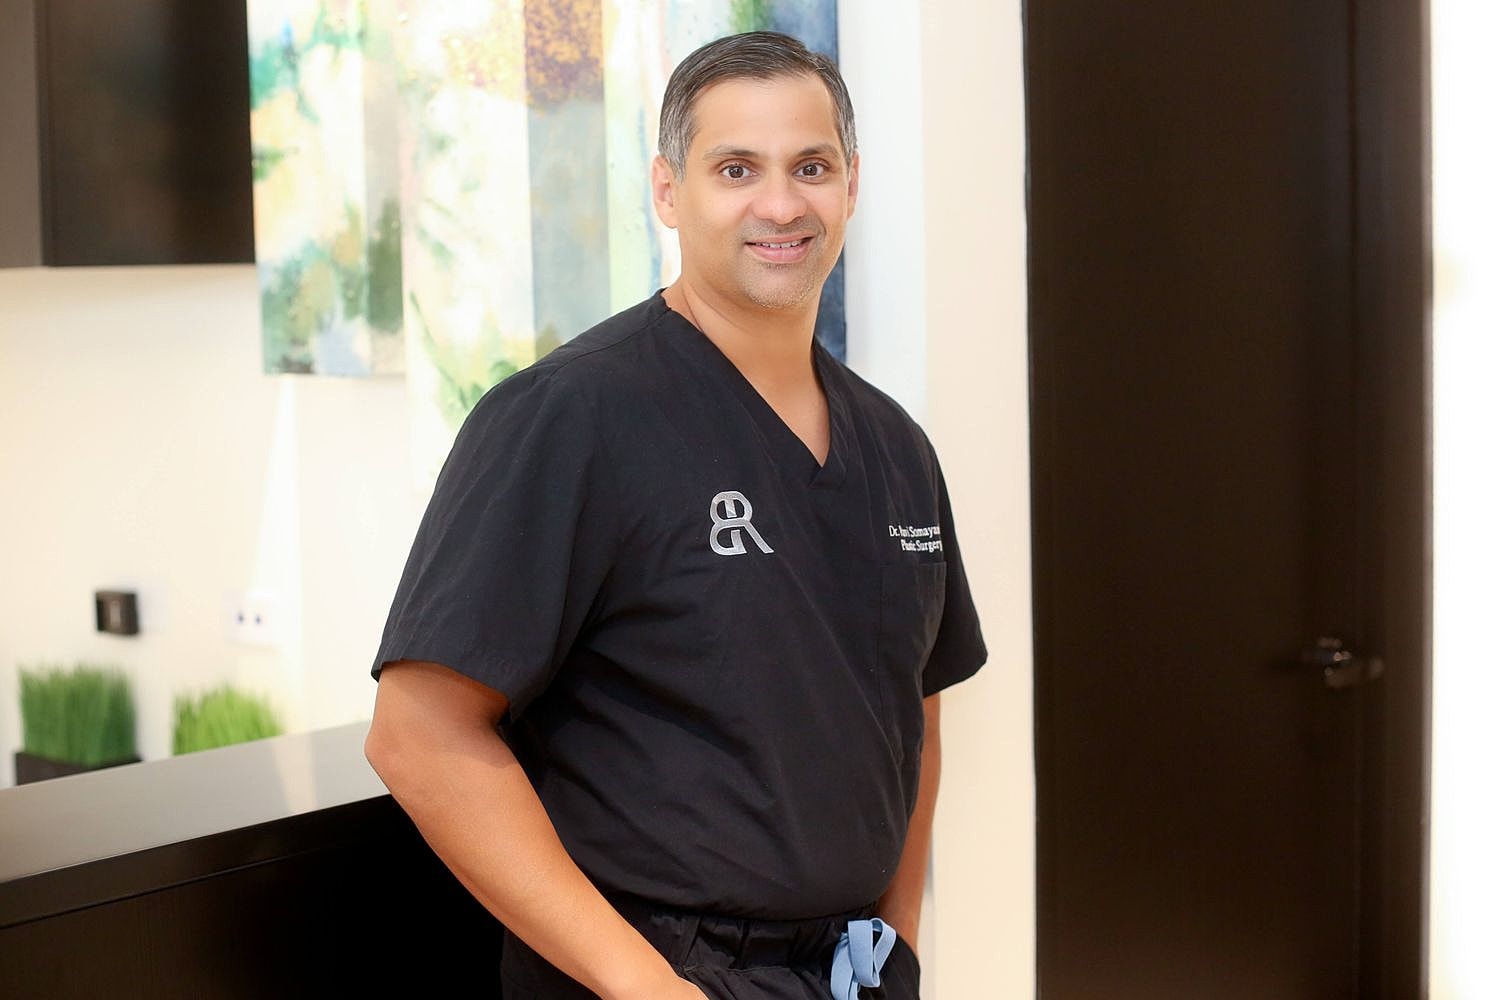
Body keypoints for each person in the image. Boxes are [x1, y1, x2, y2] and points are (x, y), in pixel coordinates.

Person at [365, 31, 987, 1000]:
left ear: (851, 185)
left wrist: (897, 941)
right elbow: (419, 734)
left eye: (810, 167)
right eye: (736, 168)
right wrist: (639, 982)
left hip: (849, 975)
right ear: (668, 191)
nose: (780, 204)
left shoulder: (896, 447)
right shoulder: (570, 417)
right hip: (658, 970)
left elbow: (913, 712)